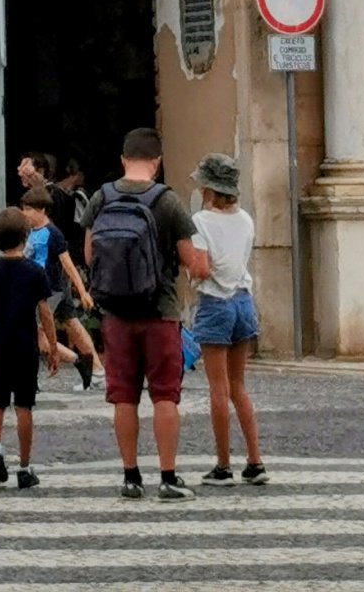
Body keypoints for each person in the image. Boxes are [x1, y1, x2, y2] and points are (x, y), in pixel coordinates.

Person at [84, 127, 208, 501]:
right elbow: (189, 260)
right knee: (165, 395)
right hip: (159, 311)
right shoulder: (167, 201)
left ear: (124, 159)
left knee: (124, 396)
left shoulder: (101, 197)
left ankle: (131, 477)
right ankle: (168, 477)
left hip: (116, 314)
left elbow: (89, 256)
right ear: (157, 162)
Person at [189, 153, 264, 485]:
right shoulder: (246, 219)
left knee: (217, 389)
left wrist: (189, 269)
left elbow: (202, 268)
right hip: (243, 301)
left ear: (208, 189)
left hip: (215, 303)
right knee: (238, 386)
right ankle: (255, 461)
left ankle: (223, 465)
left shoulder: (200, 221)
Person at [0, 206, 58, 491]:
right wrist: (52, 347)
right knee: (24, 405)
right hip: (25, 348)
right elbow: (45, 313)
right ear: (26, 236)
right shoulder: (35, 272)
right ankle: (24, 467)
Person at [20, 181, 97, 389]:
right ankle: (80, 361)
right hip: (36, 289)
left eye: (29, 209)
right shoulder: (29, 231)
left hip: (49, 290)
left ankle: (77, 362)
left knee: (36, 335)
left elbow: (67, 264)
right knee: (42, 333)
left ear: (41, 210)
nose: (25, 214)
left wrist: (82, 291)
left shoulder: (53, 233)